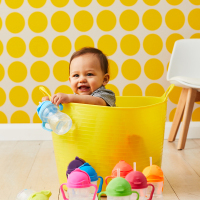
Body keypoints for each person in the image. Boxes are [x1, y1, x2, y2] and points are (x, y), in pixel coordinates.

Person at [42, 47, 116, 106]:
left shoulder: (105, 95)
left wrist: (69, 98)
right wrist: (52, 102)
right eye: (76, 75)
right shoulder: (75, 97)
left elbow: (97, 102)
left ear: (105, 79)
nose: (82, 80)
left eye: (89, 74)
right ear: (70, 80)